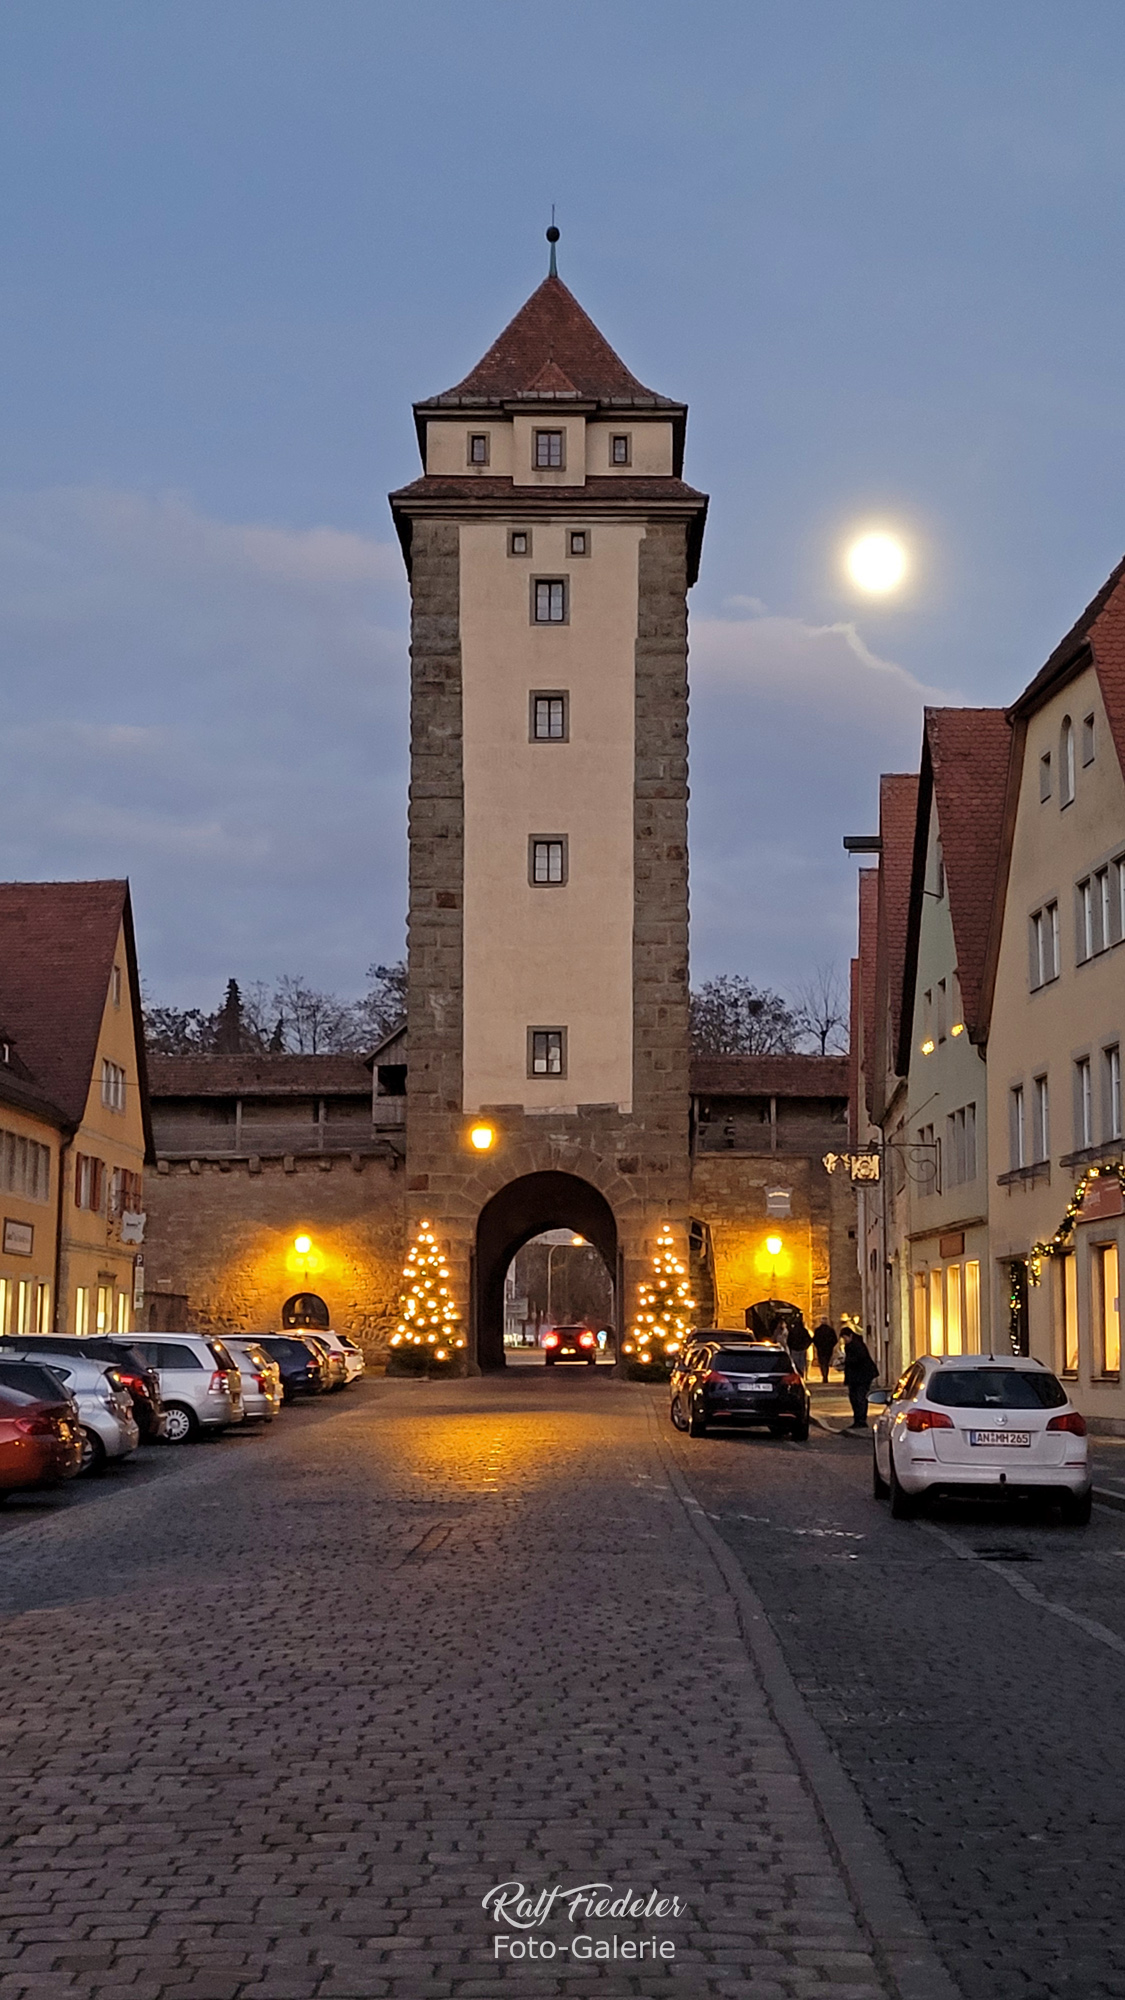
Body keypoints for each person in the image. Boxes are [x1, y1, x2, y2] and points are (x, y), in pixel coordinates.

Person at [842, 1328, 879, 1429]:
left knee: (859, 1397)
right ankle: (858, 1419)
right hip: (858, 1376)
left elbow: (858, 1360)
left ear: (850, 1336)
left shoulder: (856, 1345)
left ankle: (861, 1420)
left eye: (845, 1338)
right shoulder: (854, 1344)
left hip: (862, 1376)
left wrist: (846, 1362)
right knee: (856, 1397)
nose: (845, 1340)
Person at [785, 1314, 812, 1379]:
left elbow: (789, 1340)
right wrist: (805, 1347)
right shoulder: (804, 1331)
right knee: (802, 1363)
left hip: (795, 1349)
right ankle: (801, 1375)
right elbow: (809, 1340)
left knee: (795, 1363)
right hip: (802, 1349)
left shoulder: (792, 1331)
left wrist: (791, 1348)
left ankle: (797, 1376)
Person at [812, 1319, 837, 1386]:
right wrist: (831, 1345)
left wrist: (817, 1346)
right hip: (828, 1349)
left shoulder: (818, 1330)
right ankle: (826, 1375)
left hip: (820, 1349)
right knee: (826, 1362)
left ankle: (824, 1375)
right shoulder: (831, 1330)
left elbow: (814, 1340)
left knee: (822, 1362)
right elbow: (835, 1340)